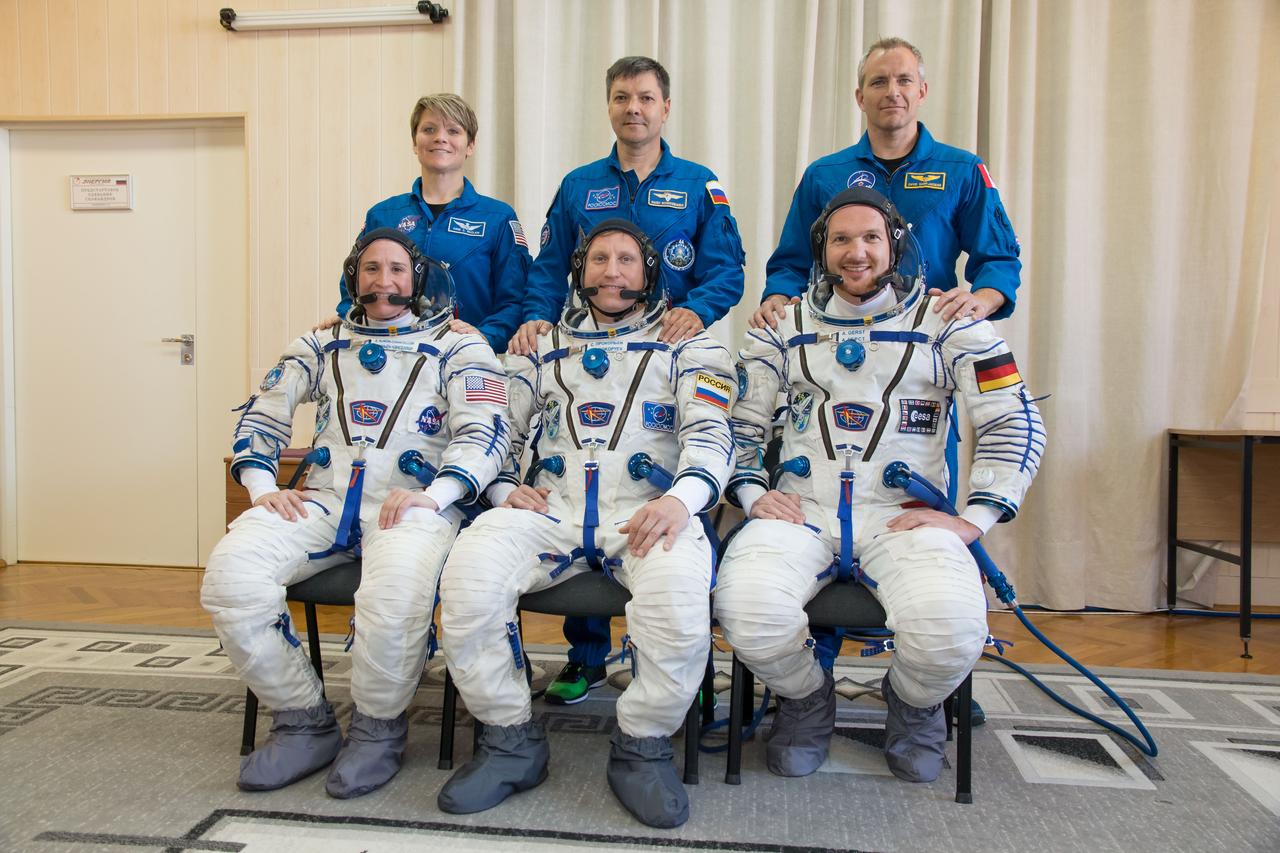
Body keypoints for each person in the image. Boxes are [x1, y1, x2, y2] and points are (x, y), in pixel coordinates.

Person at [714, 188, 1044, 782]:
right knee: (746, 605)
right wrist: (748, 491)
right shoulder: (778, 328)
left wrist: (975, 518)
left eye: (871, 238)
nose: (856, 252)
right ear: (822, 249)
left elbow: (1014, 420)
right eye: (841, 239)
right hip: (803, 511)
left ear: (895, 245)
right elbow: (738, 423)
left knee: (951, 626)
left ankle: (914, 705)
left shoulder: (950, 322)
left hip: (903, 516)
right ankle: (807, 700)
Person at [436, 219, 735, 828]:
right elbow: (496, 433)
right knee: (467, 582)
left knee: (679, 608)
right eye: (599, 258)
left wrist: (682, 500)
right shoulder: (536, 348)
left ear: (650, 273)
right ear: (579, 270)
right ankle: (509, 740)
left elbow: (711, 435)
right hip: (552, 510)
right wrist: (499, 490)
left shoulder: (694, 349)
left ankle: (643, 748)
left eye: (627, 258)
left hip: (648, 512)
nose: (612, 271)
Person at [202, 228, 510, 798]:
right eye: (371, 269)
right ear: (353, 278)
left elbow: (484, 436)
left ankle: (376, 731)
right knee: (230, 577)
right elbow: (262, 417)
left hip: (412, 504)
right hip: (322, 499)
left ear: (418, 280)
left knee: (391, 600)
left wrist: (435, 496)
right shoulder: (319, 346)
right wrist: (262, 486)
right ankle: (303, 721)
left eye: (396, 269)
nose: (383, 281)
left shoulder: (461, 348)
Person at [509, 55, 746, 706]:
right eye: (621, 97)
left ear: (666, 108)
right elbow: (550, 264)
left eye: (646, 97)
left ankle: (664, 654)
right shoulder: (579, 185)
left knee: (649, 492)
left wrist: (696, 310)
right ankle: (585, 654)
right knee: (586, 479)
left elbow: (730, 267)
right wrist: (534, 319)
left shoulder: (699, 185)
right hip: (587, 363)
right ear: (608, 106)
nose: (633, 108)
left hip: (663, 362)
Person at [752, 36, 1021, 330]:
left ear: (922, 91)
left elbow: (998, 256)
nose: (892, 92)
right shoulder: (823, 174)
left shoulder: (962, 170)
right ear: (860, 98)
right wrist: (778, 298)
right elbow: (791, 261)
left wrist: (982, 299)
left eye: (904, 80)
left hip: (929, 332)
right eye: (879, 82)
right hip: (837, 333)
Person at [331, 94, 531, 353]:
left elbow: (514, 300)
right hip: (388, 358)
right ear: (415, 142)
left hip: (466, 361)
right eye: (429, 129)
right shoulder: (383, 215)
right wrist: (347, 323)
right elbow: (352, 291)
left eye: (453, 130)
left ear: (470, 145)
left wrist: (484, 336)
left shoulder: (497, 218)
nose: (440, 138)